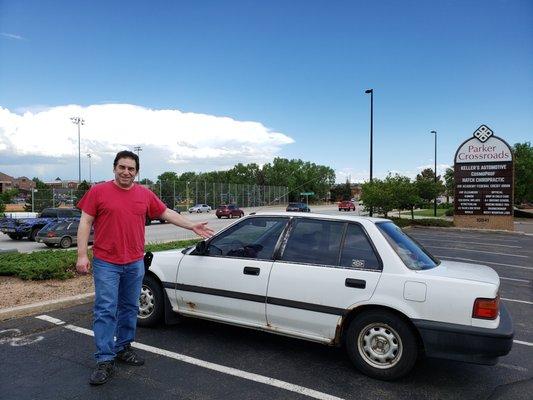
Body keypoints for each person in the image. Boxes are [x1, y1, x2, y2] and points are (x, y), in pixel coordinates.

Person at [76, 150, 213, 386]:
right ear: (114, 168)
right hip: (106, 262)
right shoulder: (98, 191)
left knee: (130, 307)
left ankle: (123, 348)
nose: (126, 172)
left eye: (131, 168)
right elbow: (85, 221)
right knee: (106, 309)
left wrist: (191, 226)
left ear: (136, 172)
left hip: (134, 262)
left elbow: (166, 212)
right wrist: (81, 255)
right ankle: (104, 359)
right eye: (122, 167)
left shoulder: (144, 194)